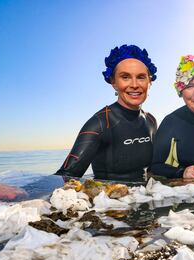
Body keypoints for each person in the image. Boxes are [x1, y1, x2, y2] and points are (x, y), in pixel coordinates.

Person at [55, 44, 158, 182]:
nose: (134, 84)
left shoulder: (151, 121)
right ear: (113, 82)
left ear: (150, 82)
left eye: (141, 77)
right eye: (125, 77)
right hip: (109, 201)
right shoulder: (101, 123)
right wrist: (24, 191)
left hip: (145, 199)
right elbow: (66, 175)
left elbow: (155, 170)